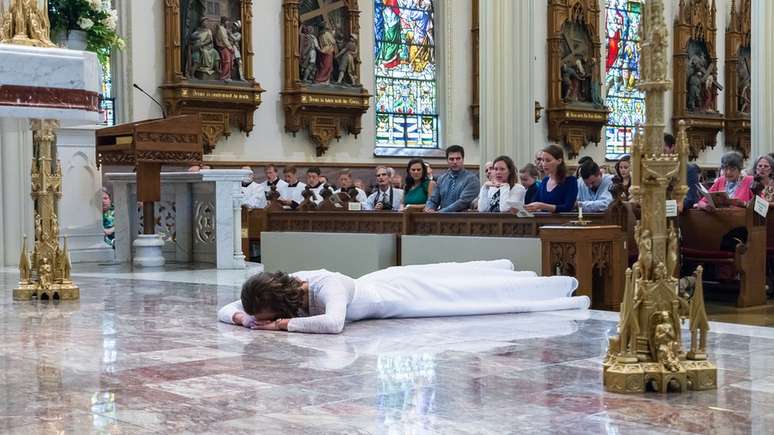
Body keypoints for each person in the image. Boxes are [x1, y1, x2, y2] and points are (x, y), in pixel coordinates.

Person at [217, 259, 588, 334]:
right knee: (464, 284)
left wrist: (282, 327)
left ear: (281, 302)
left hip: (399, 296)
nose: (261, 318)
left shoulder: (324, 285)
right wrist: (243, 318)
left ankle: (550, 288)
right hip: (384, 284)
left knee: (469, 293)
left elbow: (333, 324)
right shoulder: (281, 291)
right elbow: (226, 308)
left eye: (265, 313)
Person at [424, 145, 480, 212]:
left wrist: (440, 212)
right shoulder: (441, 179)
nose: (455, 162)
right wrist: (430, 208)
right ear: (447, 160)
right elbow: (433, 199)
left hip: (463, 219)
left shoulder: (472, 179)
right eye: (451, 159)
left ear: (463, 159)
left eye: (458, 158)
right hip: (440, 220)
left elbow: (463, 202)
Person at [525, 145, 578, 213]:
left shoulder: (570, 181)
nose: (544, 164)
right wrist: (521, 209)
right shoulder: (545, 180)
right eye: (543, 160)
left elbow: (567, 207)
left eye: (548, 160)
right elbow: (534, 202)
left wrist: (543, 206)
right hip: (543, 222)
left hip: (562, 222)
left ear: (559, 161)